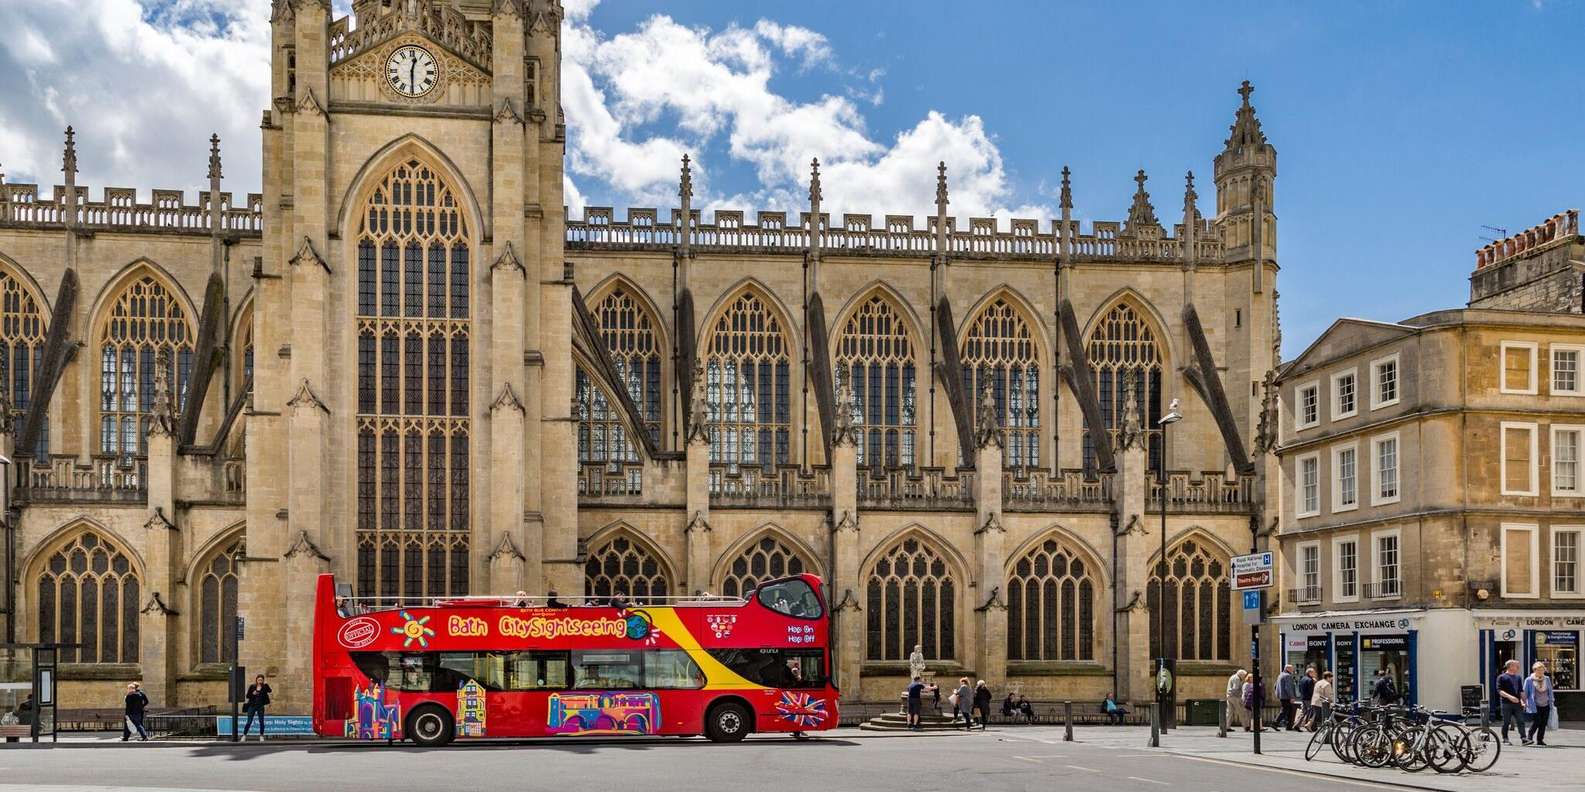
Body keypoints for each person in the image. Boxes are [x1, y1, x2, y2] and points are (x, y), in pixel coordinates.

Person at [1495, 659, 1526, 745]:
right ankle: (1505, 738)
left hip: (1517, 703)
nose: (1518, 667)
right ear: (1511, 666)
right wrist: (1510, 697)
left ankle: (1524, 738)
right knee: (1506, 722)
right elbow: (1500, 691)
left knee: (1520, 720)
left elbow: (1521, 691)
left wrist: (1523, 701)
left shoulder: (1518, 677)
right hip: (1506, 703)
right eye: (1516, 665)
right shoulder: (1501, 677)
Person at [1523, 661, 1553, 746]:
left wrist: (1551, 701)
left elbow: (1550, 691)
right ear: (1534, 670)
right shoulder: (1529, 680)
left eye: (1542, 670)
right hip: (1535, 704)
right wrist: (1523, 702)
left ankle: (1540, 740)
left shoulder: (1546, 679)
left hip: (1546, 704)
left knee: (1543, 723)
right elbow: (1525, 692)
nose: (1541, 671)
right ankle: (1529, 736)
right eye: (1539, 670)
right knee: (1537, 721)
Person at [242, 674, 273, 741]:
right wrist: (253, 693)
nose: (260, 681)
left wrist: (266, 685)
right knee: (249, 722)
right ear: (256, 680)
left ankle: (261, 736)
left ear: (263, 680)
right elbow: (247, 696)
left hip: (260, 706)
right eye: (259, 679)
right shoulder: (252, 686)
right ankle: (244, 735)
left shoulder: (264, 687)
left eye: (261, 680)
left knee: (261, 722)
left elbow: (270, 691)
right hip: (252, 706)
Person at [1275, 664, 1297, 730]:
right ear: (1287, 669)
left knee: (1289, 711)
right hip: (1287, 697)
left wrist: (1278, 693)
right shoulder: (1287, 676)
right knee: (1285, 711)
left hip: (1282, 696)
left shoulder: (1280, 675)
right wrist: (1292, 697)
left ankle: (1289, 726)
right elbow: (1288, 688)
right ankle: (1275, 723)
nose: (1293, 670)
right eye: (1292, 668)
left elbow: (1275, 686)